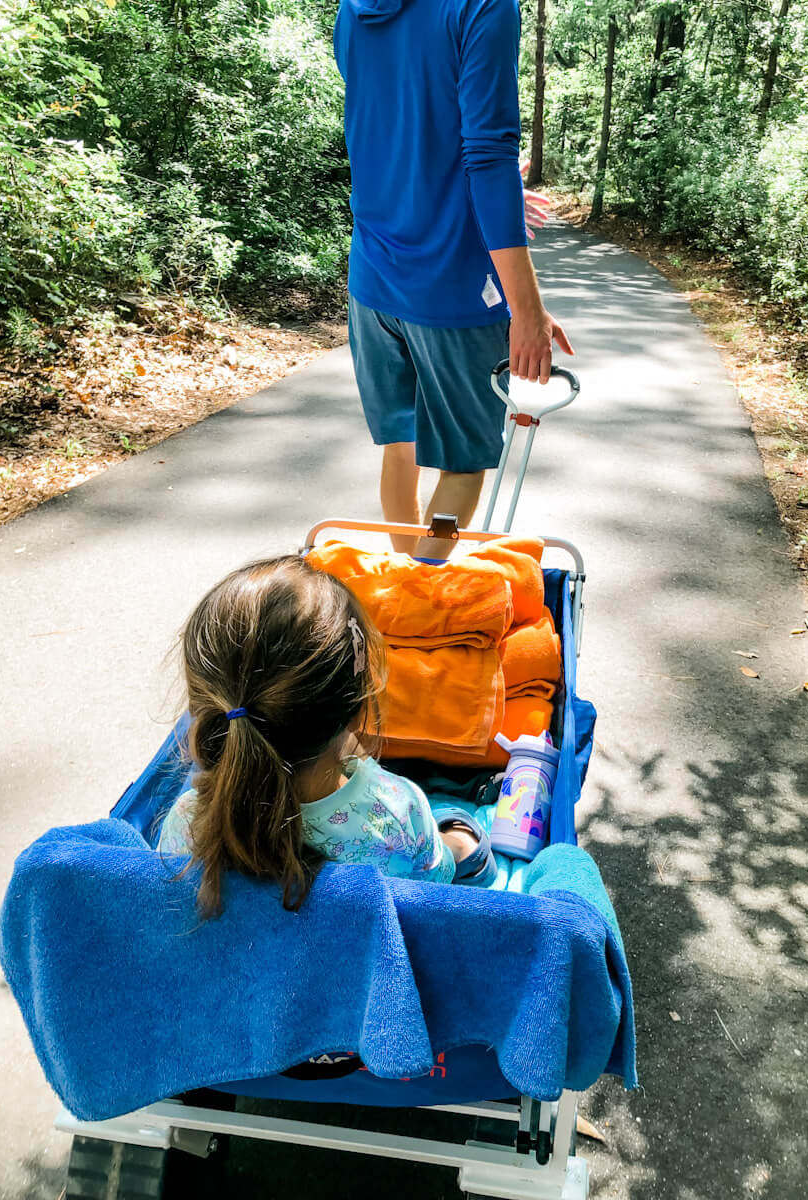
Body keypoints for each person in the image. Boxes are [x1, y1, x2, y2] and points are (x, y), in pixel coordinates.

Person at [334, 0, 573, 557]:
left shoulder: (353, 8)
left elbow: (395, 121)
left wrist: (496, 195)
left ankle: (402, 589)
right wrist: (526, 308)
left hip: (373, 278)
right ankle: (419, 599)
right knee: (463, 465)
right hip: (452, 285)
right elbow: (487, 154)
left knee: (401, 448)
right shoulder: (482, 5)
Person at [156, 555, 497, 916]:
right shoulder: (396, 813)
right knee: (462, 840)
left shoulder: (186, 821)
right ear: (356, 709)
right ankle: (460, 841)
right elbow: (429, 896)